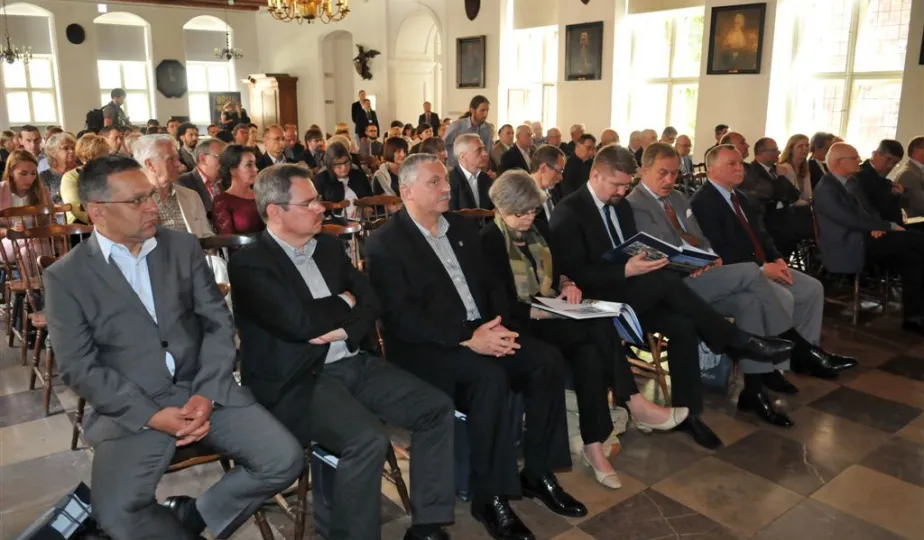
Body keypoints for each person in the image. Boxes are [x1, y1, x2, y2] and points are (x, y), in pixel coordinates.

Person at [43, 154, 303, 540]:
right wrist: (150, 415)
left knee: (283, 460)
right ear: (97, 211)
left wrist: (207, 392)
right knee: (116, 515)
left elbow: (217, 323)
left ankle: (195, 514)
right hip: (131, 406)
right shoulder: (67, 277)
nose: (153, 207)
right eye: (138, 200)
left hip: (203, 388)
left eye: (150, 195)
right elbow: (79, 367)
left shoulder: (181, 247)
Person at [366, 154, 587, 540]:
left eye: (445, 180)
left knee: (546, 360)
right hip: (427, 347)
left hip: (479, 329)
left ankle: (538, 472)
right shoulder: (386, 243)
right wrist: (467, 338)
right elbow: (400, 319)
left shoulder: (462, 228)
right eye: (434, 182)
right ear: (407, 191)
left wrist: (497, 326)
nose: (446, 188)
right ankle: (490, 496)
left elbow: (491, 287)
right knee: (489, 379)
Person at [229, 164, 454, 540]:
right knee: (366, 439)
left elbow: (371, 300)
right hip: (298, 380)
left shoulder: (328, 247)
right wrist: (344, 302)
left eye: (318, 199)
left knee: (436, 408)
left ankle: (428, 526)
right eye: (309, 202)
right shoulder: (250, 263)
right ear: (275, 212)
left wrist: (342, 328)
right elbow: (298, 323)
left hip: (352, 359)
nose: (321, 207)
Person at [549, 144, 795, 449]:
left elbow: (630, 247)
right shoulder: (569, 211)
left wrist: (650, 259)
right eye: (617, 185)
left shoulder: (620, 206)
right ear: (596, 174)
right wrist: (626, 269)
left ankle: (689, 413)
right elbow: (573, 273)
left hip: (633, 292)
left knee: (682, 325)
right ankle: (734, 339)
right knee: (665, 281)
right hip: (597, 300)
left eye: (627, 185)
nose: (623, 192)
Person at [480, 170, 689, 489]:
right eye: (520, 213)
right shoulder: (489, 241)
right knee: (595, 332)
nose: (529, 218)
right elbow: (502, 307)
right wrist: (550, 312)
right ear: (501, 208)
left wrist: (568, 284)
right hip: (520, 324)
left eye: (533, 210)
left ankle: (595, 445)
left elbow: (560, 268)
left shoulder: (538, 230)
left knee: (591, 351)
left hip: (550, 312)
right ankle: (633, 405)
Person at [813, 143, 924, 335]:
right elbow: (848, 219)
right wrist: (885, 226)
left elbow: (868, 211)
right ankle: (915, 317)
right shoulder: (826, 188)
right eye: (854, 157)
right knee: (915, 242)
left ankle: (915, 317)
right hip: (848, 244)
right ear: (839, 162)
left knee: (914, 251)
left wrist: (876, 225)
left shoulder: (850, 182)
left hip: (864, 237)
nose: (859, 160)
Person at [134, 135, 213, 238]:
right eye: (170, 159)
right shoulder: (134, 202)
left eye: (177, 158)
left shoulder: (191, 196)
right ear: (150, 165)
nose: (178, 164)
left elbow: (206, 236)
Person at [0, 151, 53, 274]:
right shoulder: (1, 191)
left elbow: (50, 222)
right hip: (5, 242)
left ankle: (29, 285)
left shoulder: (41, 191)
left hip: (35, 243)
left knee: (27, 251)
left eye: (33, 173)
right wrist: (9, 231)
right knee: (34, 242)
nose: (30, 178)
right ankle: (42, 284)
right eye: (23, 174)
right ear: (11, 172)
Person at [211, 145, 264, 236]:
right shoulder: (222, 201)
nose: (256, 169)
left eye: (255, 164)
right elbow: (227, 239)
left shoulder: (262, 195)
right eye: (249, 165)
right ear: (233, 170)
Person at [313, 142, 374, 220]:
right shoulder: (322, 179)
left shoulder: (359, 175)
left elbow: (370, 199)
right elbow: (317, 207)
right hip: (334, 223)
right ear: (330, 165)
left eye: (346, 162)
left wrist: (367, 209)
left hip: (362, 220)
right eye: (338, 164)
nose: (344, 167)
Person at [61, 134, 112, 224]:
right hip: (82, 226)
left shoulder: (111, 175)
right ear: (83, 158)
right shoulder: (70, 177)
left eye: (106, 156)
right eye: (99, 156)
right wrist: (102, 221)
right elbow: (75, 207)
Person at [856, 139, 906, 224]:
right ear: (877, 154)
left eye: (895, 163)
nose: (890, 166)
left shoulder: (887, 183)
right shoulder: (858, 175)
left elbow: (897, 219)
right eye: (888, 159)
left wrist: (895, 196)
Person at [177, 139, 226, 214]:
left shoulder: (227, 181)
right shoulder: (183, 183)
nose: (225, 162)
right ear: (203, 159)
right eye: (220, 157)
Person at [443, 95, 493, 168]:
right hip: (456, 168)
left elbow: (487, 150)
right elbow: (443, 146)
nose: (485, 114)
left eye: (487, 110)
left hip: (477, 169)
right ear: (473, 111)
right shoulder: (457, 126)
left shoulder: (487, 128)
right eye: (482, 110)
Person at [447, 134, 494, 211]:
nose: (485, 153)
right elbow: (452, 214)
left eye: (484, 149)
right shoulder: (450, 181)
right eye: (479, 150)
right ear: (462, 156)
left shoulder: (485, 178)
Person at [39, 132, 77, 205]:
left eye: (73, 148)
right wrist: (59, 193)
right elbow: (44, 203)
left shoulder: (81, 171)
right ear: (53, 152)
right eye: (66, 148)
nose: (71, 151)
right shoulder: (45, 176)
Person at [892, 136, 924, 218]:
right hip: (915, 222)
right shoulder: (909, 174)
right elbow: (921, 205)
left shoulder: (917, 171)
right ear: (917, 151)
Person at [777, 134, 813, 201]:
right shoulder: (785, 168)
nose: (805, 148)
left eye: (807, 145)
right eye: (800, 146)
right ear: (791, 149)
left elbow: (808, 195)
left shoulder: (805, 169)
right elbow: (791, 197)